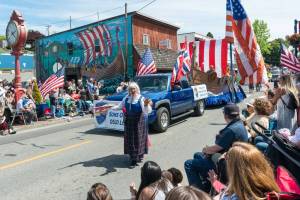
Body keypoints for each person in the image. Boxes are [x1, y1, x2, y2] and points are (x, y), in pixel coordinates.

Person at [184, 104, 248, 193]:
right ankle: (208, 184)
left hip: (228, 165)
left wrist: (205, 149)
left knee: (189, 164)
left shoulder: (231, 130)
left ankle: (198, 193)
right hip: (233, 160)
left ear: (225, 115)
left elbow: (214, 149)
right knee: (197, 155)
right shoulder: (239, 124)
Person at [208, 142, 280, 200]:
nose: (224, 156)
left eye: (227, 157)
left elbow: (229, 193)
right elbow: (231, 191)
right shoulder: (267, 186)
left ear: (236, 170)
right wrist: (215, 183)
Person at [116, 82, 152, 166]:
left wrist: (146, 105)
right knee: (130, 140)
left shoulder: (141, 98)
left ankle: (137, 157)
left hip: (139, 122)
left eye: (133, 89)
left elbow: (147, 111)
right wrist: (109, 107)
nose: (132, 90)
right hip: (129, 121)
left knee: (138, 140)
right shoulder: (126, 98)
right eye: (130, 89)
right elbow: (120, 106)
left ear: (136, 89)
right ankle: (133, 157)